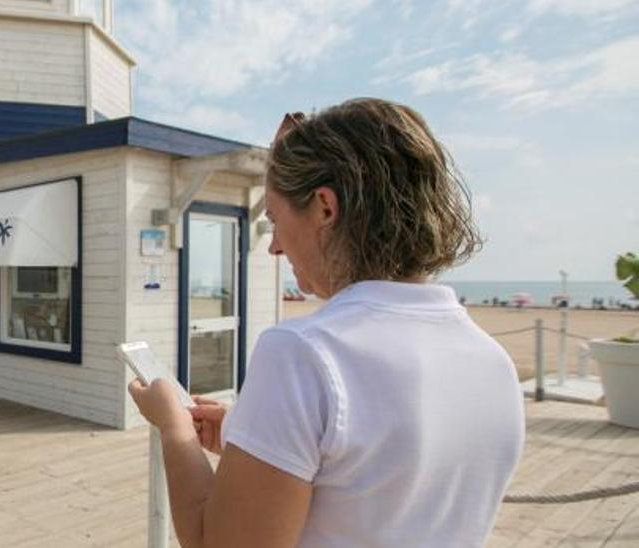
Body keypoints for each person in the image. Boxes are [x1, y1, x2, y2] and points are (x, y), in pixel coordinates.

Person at [129, 98, 524, 548]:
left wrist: (172, 425)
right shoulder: (494, 362)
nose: (274, 247)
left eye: (275, 220)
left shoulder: (303, 353)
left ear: (324, 207)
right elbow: (374, 484)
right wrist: (255, 439)